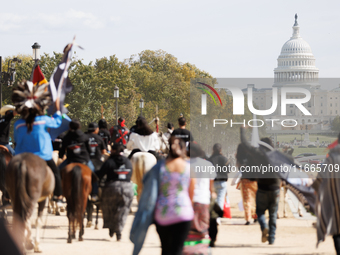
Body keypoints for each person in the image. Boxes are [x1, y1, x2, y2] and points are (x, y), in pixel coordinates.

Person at [12, 81, 63, 202]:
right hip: (43, 155)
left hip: (21, 155)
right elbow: (57, 122)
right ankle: (58, 195)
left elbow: (16, 139)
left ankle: (8, 196)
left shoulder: (18, 124)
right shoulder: (44, 120)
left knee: (9, 171)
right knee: (56, 173)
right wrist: (58, 109)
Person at [154, 137, 195, 255]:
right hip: (183, 212)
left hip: (163, 213)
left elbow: (153, 190)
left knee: (165, 250)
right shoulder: (189, 168)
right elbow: (191, 193)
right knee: (178, 249)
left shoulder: (159, 167)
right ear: (183, 150)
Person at [240, 128, 280, 244]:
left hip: (262, 187)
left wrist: (243, 129)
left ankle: (264, 227)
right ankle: (272, 238)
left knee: (260, 212)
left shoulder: (258, 155)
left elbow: (245, 143)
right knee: (273, 214)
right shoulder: (276, 156)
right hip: (275, 187)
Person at [96, 143, 134, 241]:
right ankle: (118, 230)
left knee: (107, 206)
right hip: (127, 187)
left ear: (112, 151)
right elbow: (130, 174)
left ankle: (111, 227)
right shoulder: (128, 161)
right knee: (124, 209)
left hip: (111, 187)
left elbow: (100, 174)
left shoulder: (109, 161)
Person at [312, 132, 340, 254]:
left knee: (337, 230)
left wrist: (314, 189)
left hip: (335, 202)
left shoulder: (331, 160)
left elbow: (320, 178)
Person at [59, 120, 98, 200]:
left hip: (70, 160)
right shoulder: (84, 136)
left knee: (57, 173)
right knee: (95, 175)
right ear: (79, 127)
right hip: (84, 160)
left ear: (69, 127)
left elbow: (62, 152)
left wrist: (61, 155)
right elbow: (89, 150)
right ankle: (94, 194)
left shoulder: (66, 137)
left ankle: (59, 194)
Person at [236, 143, 258, 225]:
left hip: (245, 180)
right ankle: (256, 217)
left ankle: (248, 218)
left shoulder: (240, 158)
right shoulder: (252, 156)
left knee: (247, 200)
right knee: (256, 199)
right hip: (255, 180)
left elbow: (239, 169)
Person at [208, 143, 229, 210]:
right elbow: (228, 170)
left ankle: (214, 216)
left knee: (213, 200)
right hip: (222, 182)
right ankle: (218, 217)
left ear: (213, 149)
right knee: (220, 199)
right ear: (221, 150)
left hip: (213, 183)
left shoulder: (210, 159)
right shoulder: (224, 159)